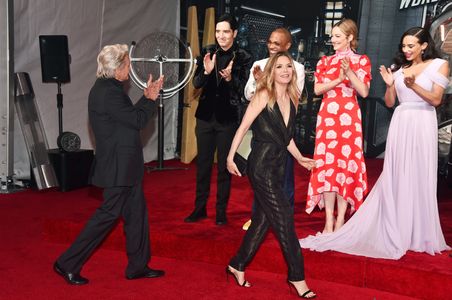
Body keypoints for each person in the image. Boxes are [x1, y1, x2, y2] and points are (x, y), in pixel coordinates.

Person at [299, 27, 450, 259]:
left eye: (411, 46)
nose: (406, 50)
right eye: (404, 46)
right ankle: (395, 226)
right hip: (400, 122)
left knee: (420, 173)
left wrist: (414, 86)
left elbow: (436, 100)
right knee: (396, 174)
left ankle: (419, 232)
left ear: (424, 46)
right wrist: (391, 84)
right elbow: (390, 103)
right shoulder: (400, 69)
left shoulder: (439, 64)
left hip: (421, 122)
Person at [54, 44, 165, 285]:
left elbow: (126, 119)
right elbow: (137, 120)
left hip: (127, 166)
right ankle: (67, 263)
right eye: (126, 65)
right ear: (116, 69)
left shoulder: (109, 88)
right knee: (106, 216)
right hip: (118, 167)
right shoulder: (109, 92)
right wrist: (149, 99)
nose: (130, 69)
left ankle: (138, 266)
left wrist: (145, 99)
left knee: (137, 216)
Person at [226, 52, 316, 298]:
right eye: (279, 67)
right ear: (271, 72)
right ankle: (297, 277)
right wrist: (230, 156)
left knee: (263, 221)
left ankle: (237, 264)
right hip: (261, 165)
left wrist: (299, 158)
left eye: (288, 66)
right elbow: (243, 126)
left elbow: (286, 138)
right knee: (285, 218)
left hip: (279, 165)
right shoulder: (263, 95)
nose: (285, 70)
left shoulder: (293, 97)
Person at [184, 14, 252, 225]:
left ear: (234, 33)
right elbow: (196, 83)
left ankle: (220, 211)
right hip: (204, 117)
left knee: (224, 167)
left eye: (226, 32)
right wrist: (206, 71)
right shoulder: (207, 51)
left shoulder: (243, 57)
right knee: (203, 165)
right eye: (218, 32)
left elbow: (244, 92)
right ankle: (199, 208)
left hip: (228, 119)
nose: (221, 36)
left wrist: (231, 79)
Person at [306, 19, 371, 233]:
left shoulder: (362, 61)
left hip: (349, 119)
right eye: (332, 36)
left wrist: (349, 74)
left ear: (350, 37)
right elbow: (317, 90)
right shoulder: (325, 61)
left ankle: (341, 219)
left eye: (337, 36)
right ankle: (327, 221)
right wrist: (338, 79)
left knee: (345, 166)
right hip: (327, 119)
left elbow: (363, 92)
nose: (332, 40)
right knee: (327, 167)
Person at [241, 27, 305, 230]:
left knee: (284, 177)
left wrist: (267, 84)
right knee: (260, 178)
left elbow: (294, 96)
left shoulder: (297, 68)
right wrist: (260, 84)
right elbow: (248, 95)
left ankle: (284, 220)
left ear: (288, 46)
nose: (271, 46)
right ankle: (258, 219)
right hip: (262, 131)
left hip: (283, 131)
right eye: (269, 42)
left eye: (277, 43)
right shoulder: (258, 65)